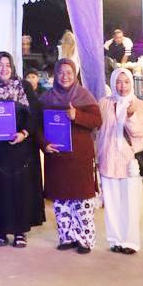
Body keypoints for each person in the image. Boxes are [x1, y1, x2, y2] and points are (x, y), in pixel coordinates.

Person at [0, 52, 43, 247]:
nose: (4, 69)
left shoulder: (24, 87)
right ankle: (0, 231)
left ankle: (20, 231)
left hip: (20, 148)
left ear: (12, 68)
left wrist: (24, 133)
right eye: (0, 65)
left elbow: (34, 114)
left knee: (20, 189)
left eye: (7, 65)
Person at [36, 58, 101, 254]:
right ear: (55, 75)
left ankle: (85, 240)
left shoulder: (84, 96)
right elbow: (37, 127)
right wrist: (44, 144)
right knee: (61, 199)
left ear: (75, 75)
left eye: (69, 73)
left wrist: (77, 116)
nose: (65, 76)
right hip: (57, 158)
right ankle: (67, 237)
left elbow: (97, 121)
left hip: (80, 158)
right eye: (61, 72)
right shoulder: (46, 98)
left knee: (82, 200)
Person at [97, 68, 143, 255]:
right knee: (111, 203)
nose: (122, 86)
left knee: (130, 203)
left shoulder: (140, 105)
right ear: (112, 83)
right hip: (109, 158)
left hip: (130, 162)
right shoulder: (104, 103)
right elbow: (99, 132)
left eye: (126, 82)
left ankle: (130, 242)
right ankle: (115, 240)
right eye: (118, 82)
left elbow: (139, 131)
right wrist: (97, 156)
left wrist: (130, 115)